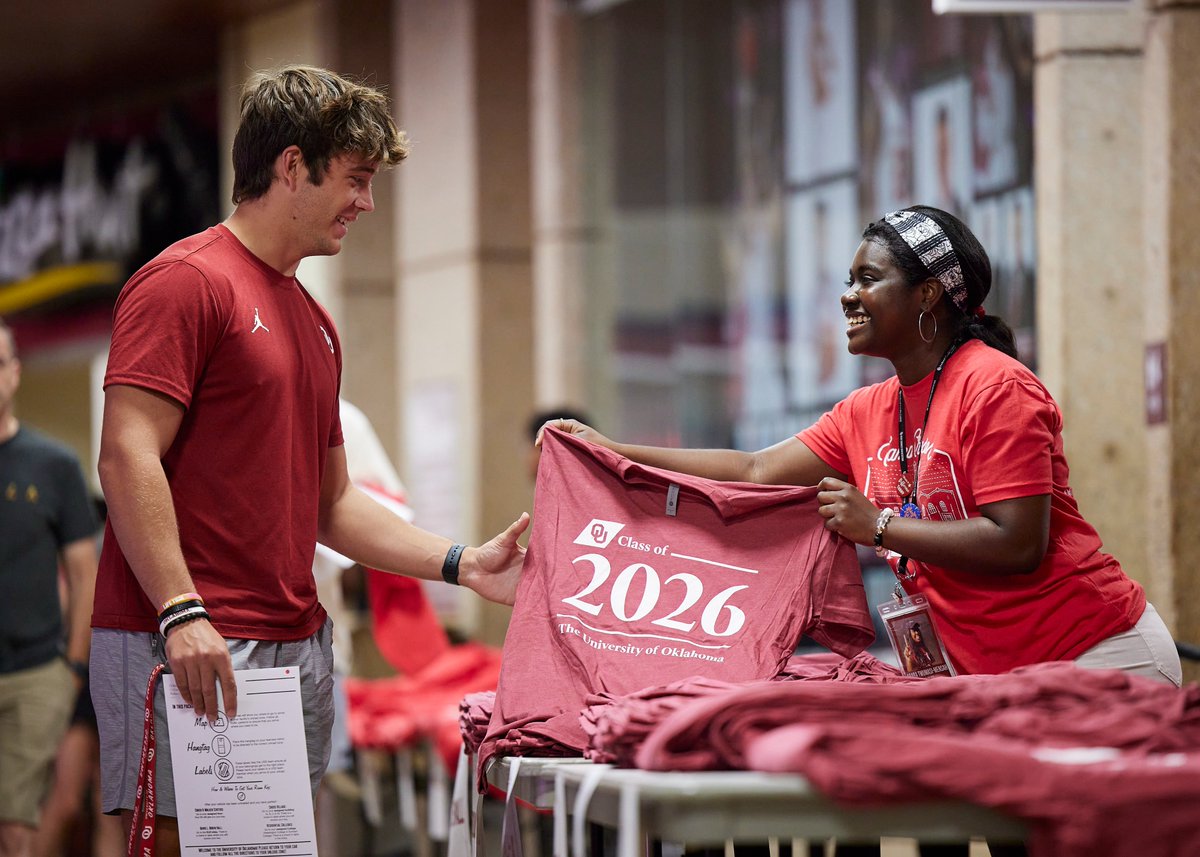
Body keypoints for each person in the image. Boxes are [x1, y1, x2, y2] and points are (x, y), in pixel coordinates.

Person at [91, 65, 529, 857]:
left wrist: (462, 562)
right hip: (187, 637)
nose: (366, 202)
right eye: (356, 180)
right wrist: (181, 609)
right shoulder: (184, 283)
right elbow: (126, 455)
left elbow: (333, 502)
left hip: (291, 643)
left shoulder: (314, 320)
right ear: (292, 166)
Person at [541, 204, 1181, 687]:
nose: (847, 296)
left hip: (1096, 655)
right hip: (993, 675)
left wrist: (878, 526)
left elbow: (1018, 543)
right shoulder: (869, 408)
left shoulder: (996, 386)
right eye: (849, 279)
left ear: (928, 293)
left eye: (868, 279)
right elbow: (756, 468)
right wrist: (614, 451)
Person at [0, 318, 100, 857]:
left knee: (18, 827)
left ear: (15, 373)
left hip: (36, 672)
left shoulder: (54, 465)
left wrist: (72, 669)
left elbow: (85, 574)